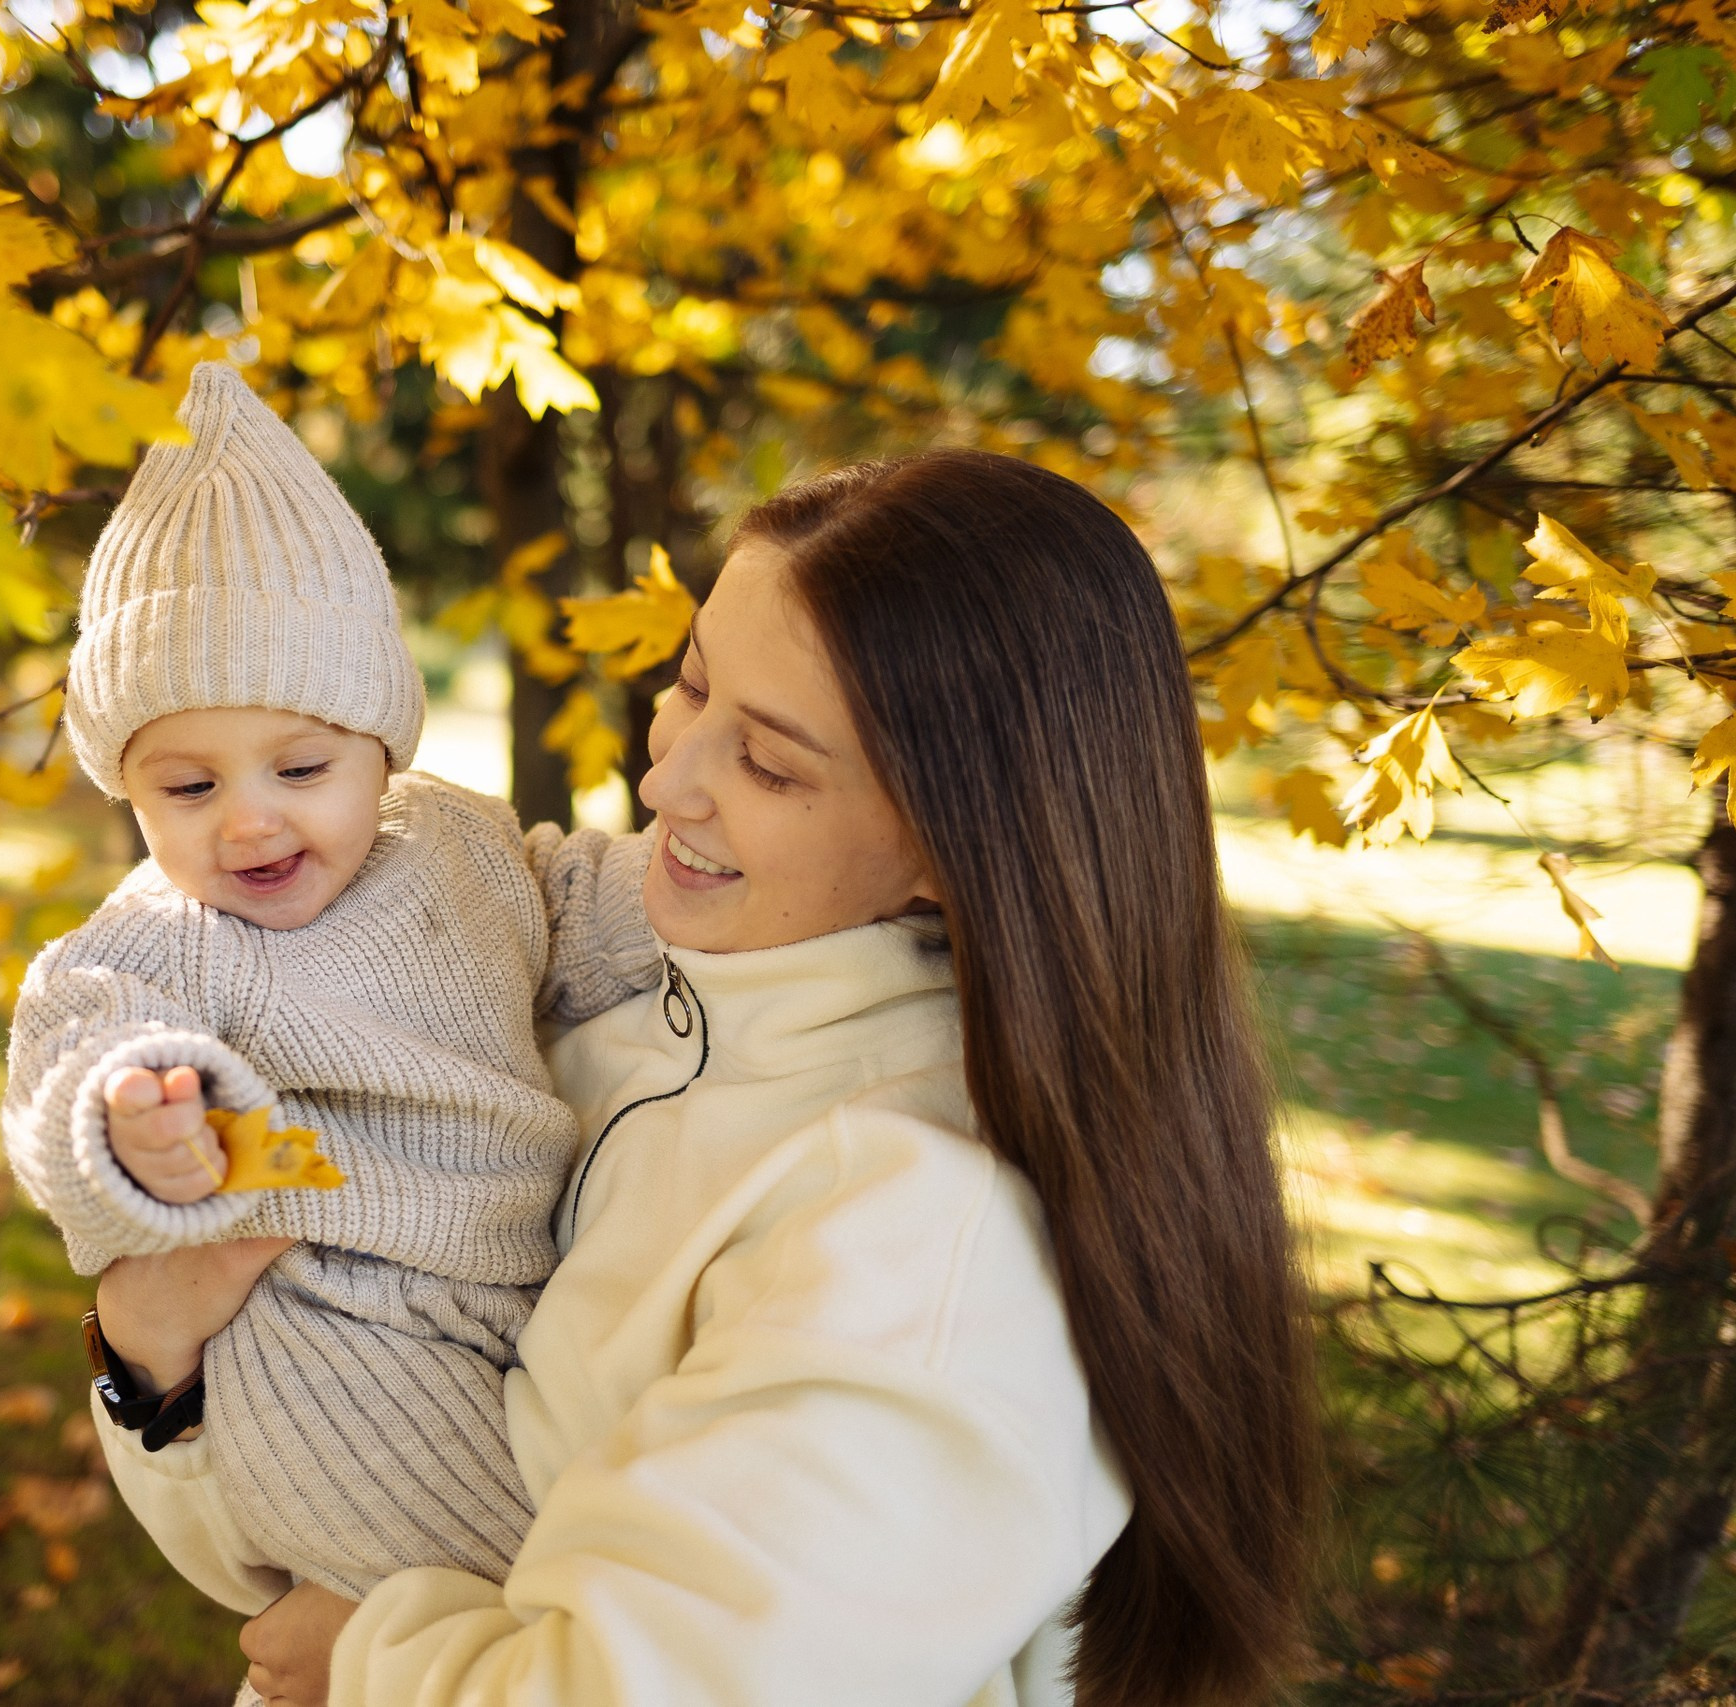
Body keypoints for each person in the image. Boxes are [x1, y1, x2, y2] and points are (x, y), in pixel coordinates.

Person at [89, 450, 1322, 1707]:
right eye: (689, 683)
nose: (662, 777)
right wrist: (150, 1361)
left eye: (772, 764)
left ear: (959, 849)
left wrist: (367, 1658)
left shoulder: (928, 1244)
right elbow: (270, 1550)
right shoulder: (588, 1003)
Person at [1, 363, 666, 1608]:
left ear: (379, 746)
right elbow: (72, 1039)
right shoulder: (165, 934)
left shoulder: (459, 846)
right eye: (186, 789)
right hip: (328, 1315)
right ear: (130, 789)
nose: (247, 821)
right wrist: (137, 1115)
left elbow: (581, 902)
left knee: (572, 1542)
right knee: (531, 1588)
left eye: (299, 766)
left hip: (507, 1285)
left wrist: (691, 879)